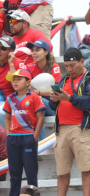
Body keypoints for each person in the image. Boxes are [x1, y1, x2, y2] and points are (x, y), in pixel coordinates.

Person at [49, 48, 90, 196]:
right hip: (62, 129)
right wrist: (53, 99)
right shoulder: (64, 79)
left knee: (87, 171)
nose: (69, 69)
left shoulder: (88, 76)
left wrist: (70, 98)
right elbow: (54, 106)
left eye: (72, 65)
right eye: (66, 65)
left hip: (82, 129)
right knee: (62, 172)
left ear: (82, 61)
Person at [4, 69, 45, 196]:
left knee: (31, 172)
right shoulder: (10, 98)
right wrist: (8, 135)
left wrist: (35, 136)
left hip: (28, 137)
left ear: (28, 82)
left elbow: (41, 117)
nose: (15, 82)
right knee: (14, 173)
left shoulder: (34, 97)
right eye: (13, 80)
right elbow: (7, 117)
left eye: (19, 79)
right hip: (13, 138)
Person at [26, 39, 60, 116]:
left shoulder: (54, 67)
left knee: (38, 102)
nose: (34, 53)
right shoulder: (29, 67)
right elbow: (27, 89)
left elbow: (55, 92)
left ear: (46, 52)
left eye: (38, 50)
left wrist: (36, 92)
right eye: (33, 50)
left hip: (52, 105)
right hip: (34, 101)